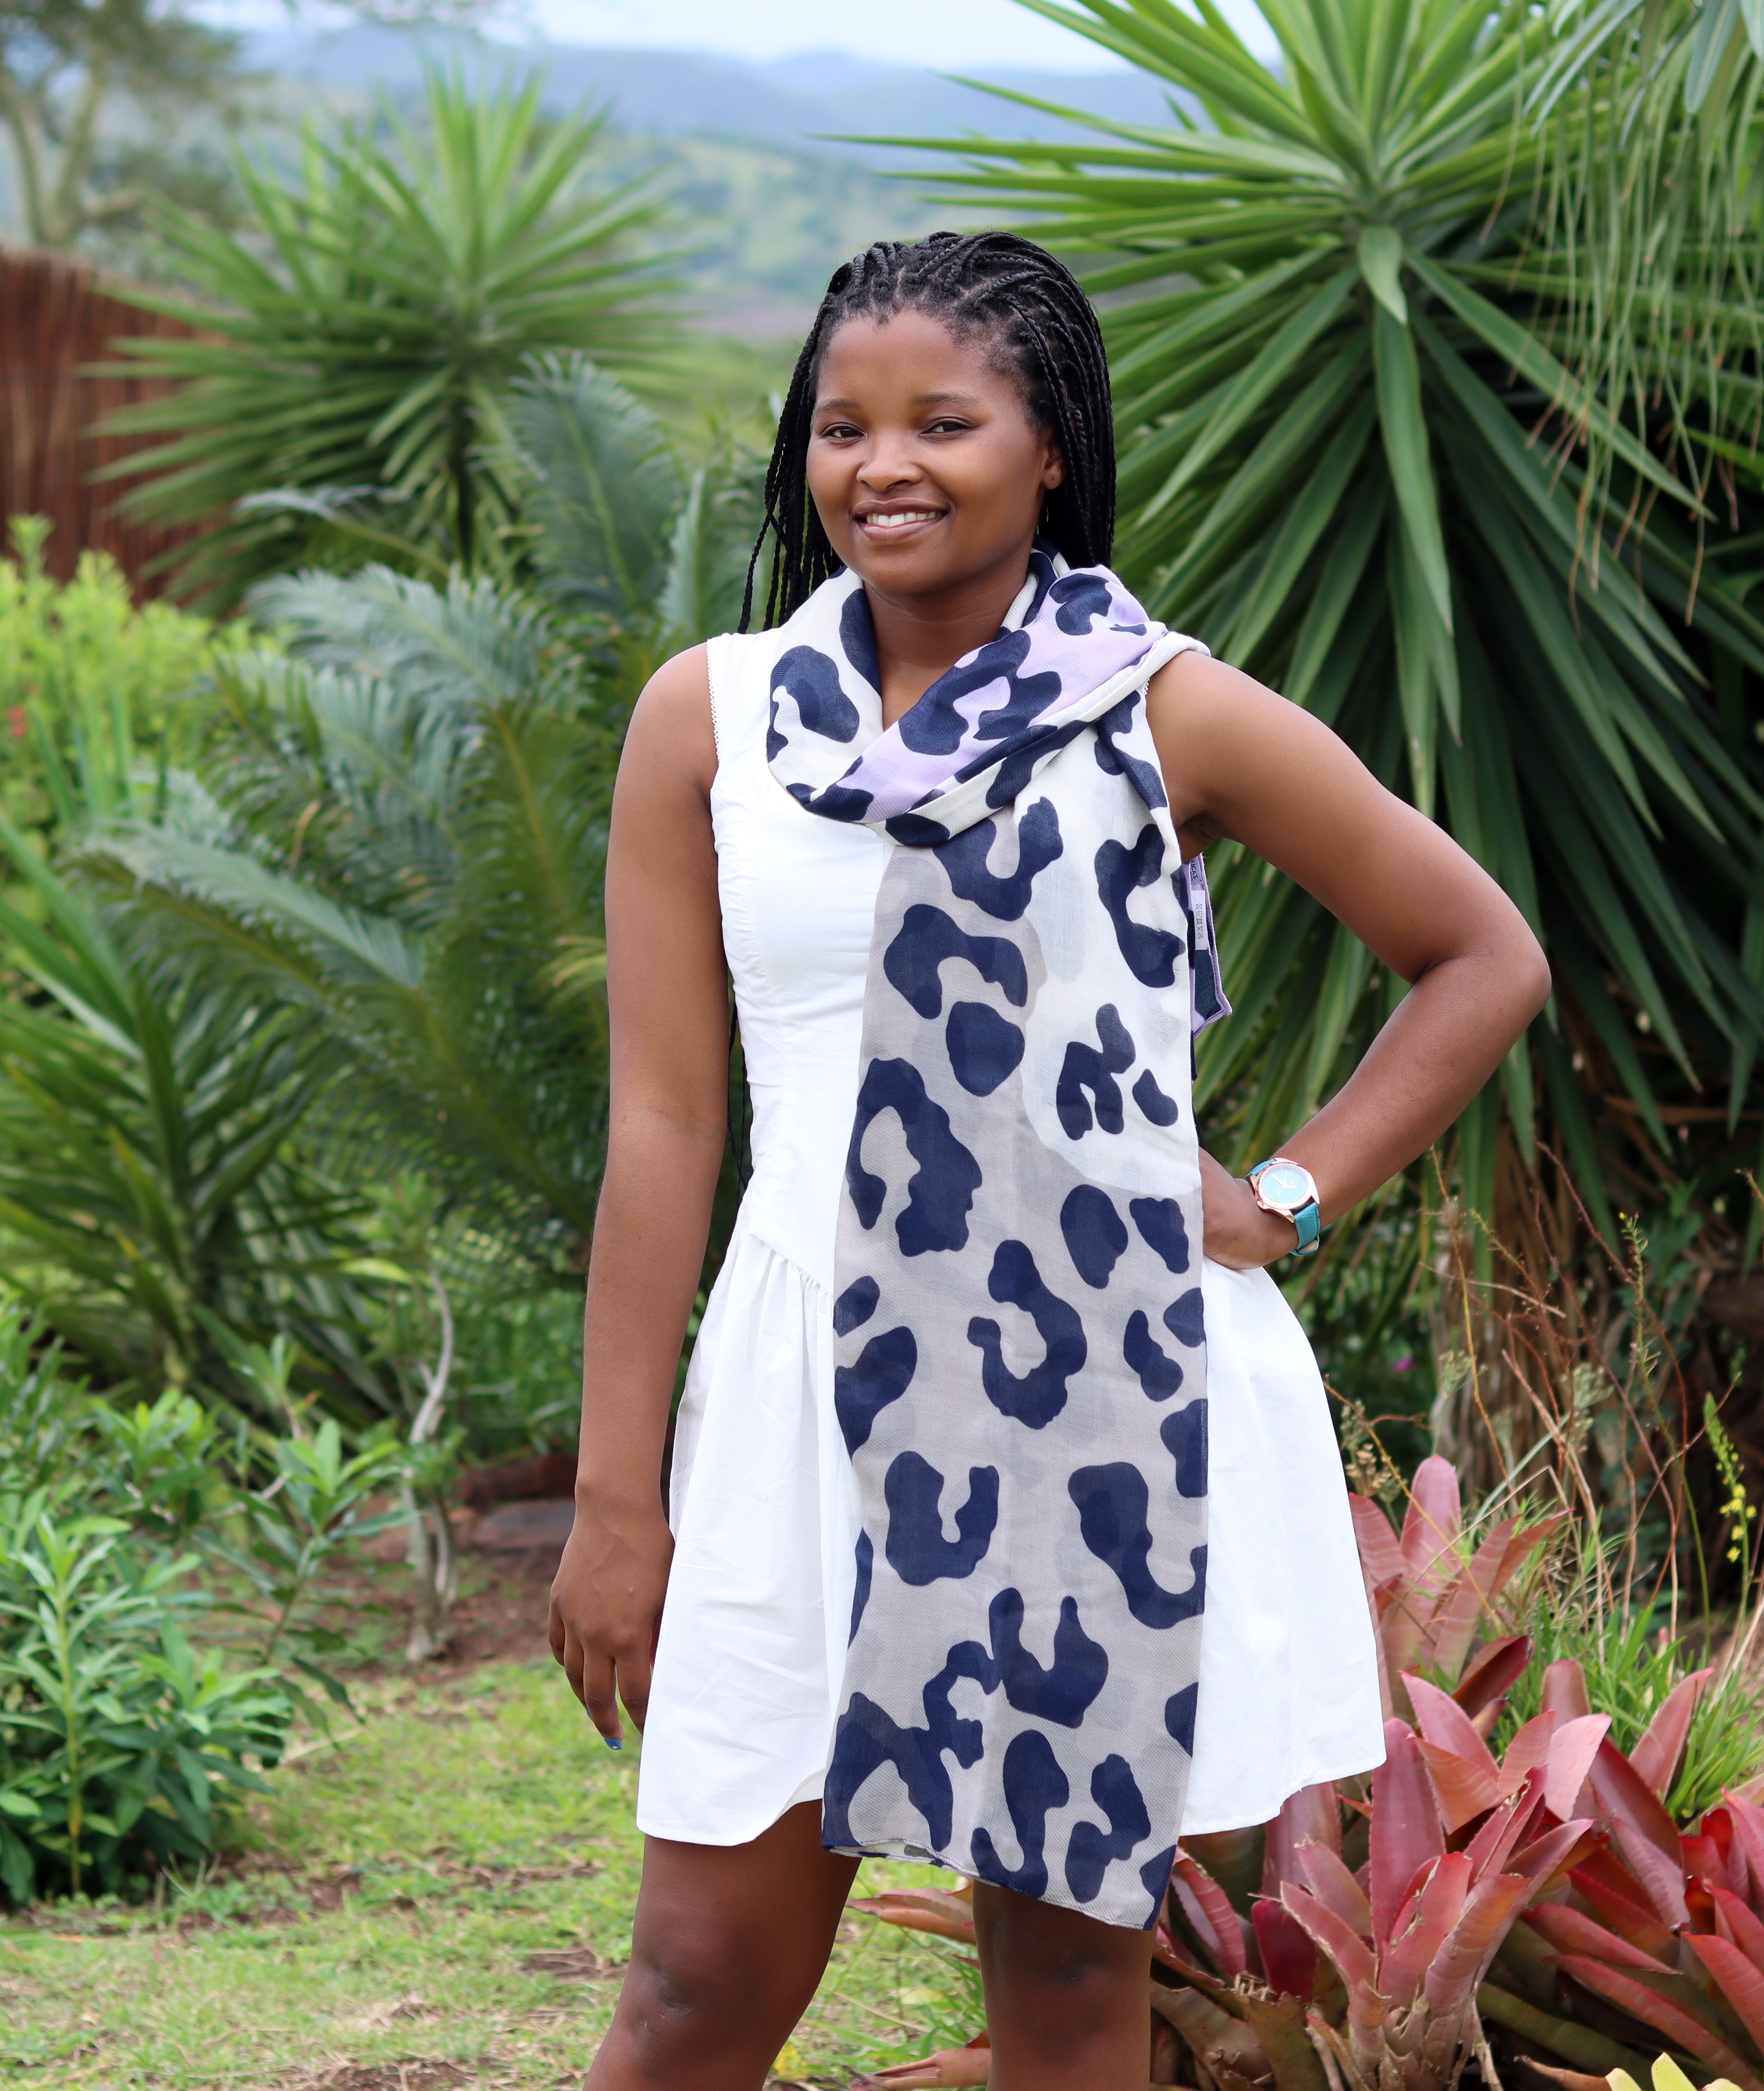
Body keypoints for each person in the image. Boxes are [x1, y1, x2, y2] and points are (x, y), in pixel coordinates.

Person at [548, 230, 1552, 2091]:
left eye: (945, 419)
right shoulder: (715, 719)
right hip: (801, 1389)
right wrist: (619, 1498)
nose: (883, 464)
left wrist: (1281, 1199)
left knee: (1071, 1991)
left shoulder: (1162, 708)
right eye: (842, 425)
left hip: (1086, 1395)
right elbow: (667, 1125)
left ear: (1047, 451)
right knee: (695, 1985)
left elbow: (1481, 955)